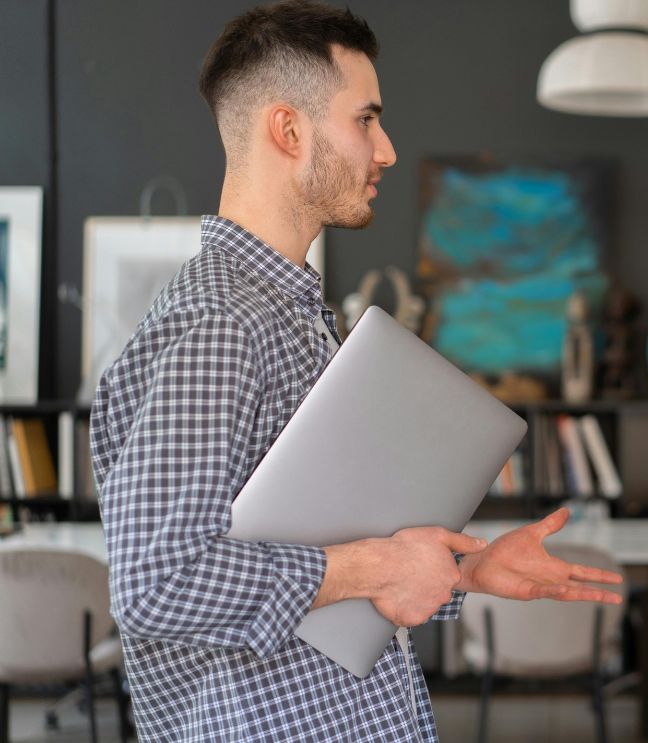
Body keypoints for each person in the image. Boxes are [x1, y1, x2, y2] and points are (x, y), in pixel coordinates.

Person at [90, 2, 621, 741]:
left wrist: (460, 570)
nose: (387, 149)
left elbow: (305, 541)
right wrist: (375, 568)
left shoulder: (288, 313)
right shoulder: (219, 323)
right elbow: (159, 582)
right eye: (365, 119)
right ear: (288, 129)